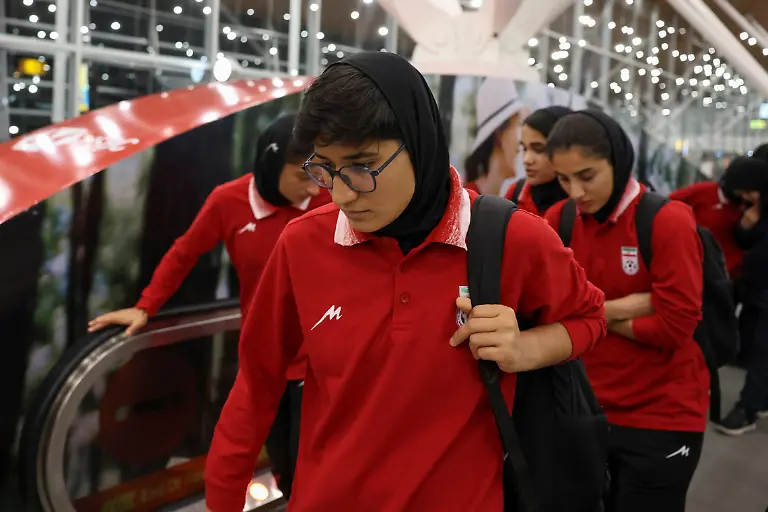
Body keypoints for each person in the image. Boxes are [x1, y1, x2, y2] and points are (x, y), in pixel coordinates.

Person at [204, 52, 606, 512]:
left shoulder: (512, 239)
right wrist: (222, 500)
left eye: (362, 166)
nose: (342, 194)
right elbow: (257, 382)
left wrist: (526, 349)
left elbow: (588, 318)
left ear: (419, 142)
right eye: (325, 169)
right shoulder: (304, 244)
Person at [88, 114, 330, 498]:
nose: (315, 189)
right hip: (264, 359)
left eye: (320, 177)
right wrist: (146, 306)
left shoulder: (330, 200)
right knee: (277, 463)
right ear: (270, 162)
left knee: (316, 466)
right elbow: (183, 253)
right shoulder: (228, 201)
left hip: (322, 358)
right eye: (304, 177)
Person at [543, 110, 708, 512]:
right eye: (564, 179)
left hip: (661, 415)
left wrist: (585, 316)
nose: (576, 191)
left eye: (587, 175)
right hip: (583, 410)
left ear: (617, 161)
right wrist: (618, 308)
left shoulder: (666, 221)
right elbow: (549, 313)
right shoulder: (557, 221)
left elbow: (673, 329)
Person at [715, 156, 768, 435]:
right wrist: (748, 223)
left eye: (748, 190)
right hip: (755, 286)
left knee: (763, 348)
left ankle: (748, 408)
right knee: (749, 340)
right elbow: (744, 240)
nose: (745, 197)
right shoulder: (752, 206)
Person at [463, 77, 526, 195]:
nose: (521, 143)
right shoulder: (468, 202)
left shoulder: (503, 198)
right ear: (500, 134)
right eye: (518, 125)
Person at [504, 106, 571, 215]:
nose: (527, 159)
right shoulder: (516, 192)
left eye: (539, 149)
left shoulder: (582, 204)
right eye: (524, 149)